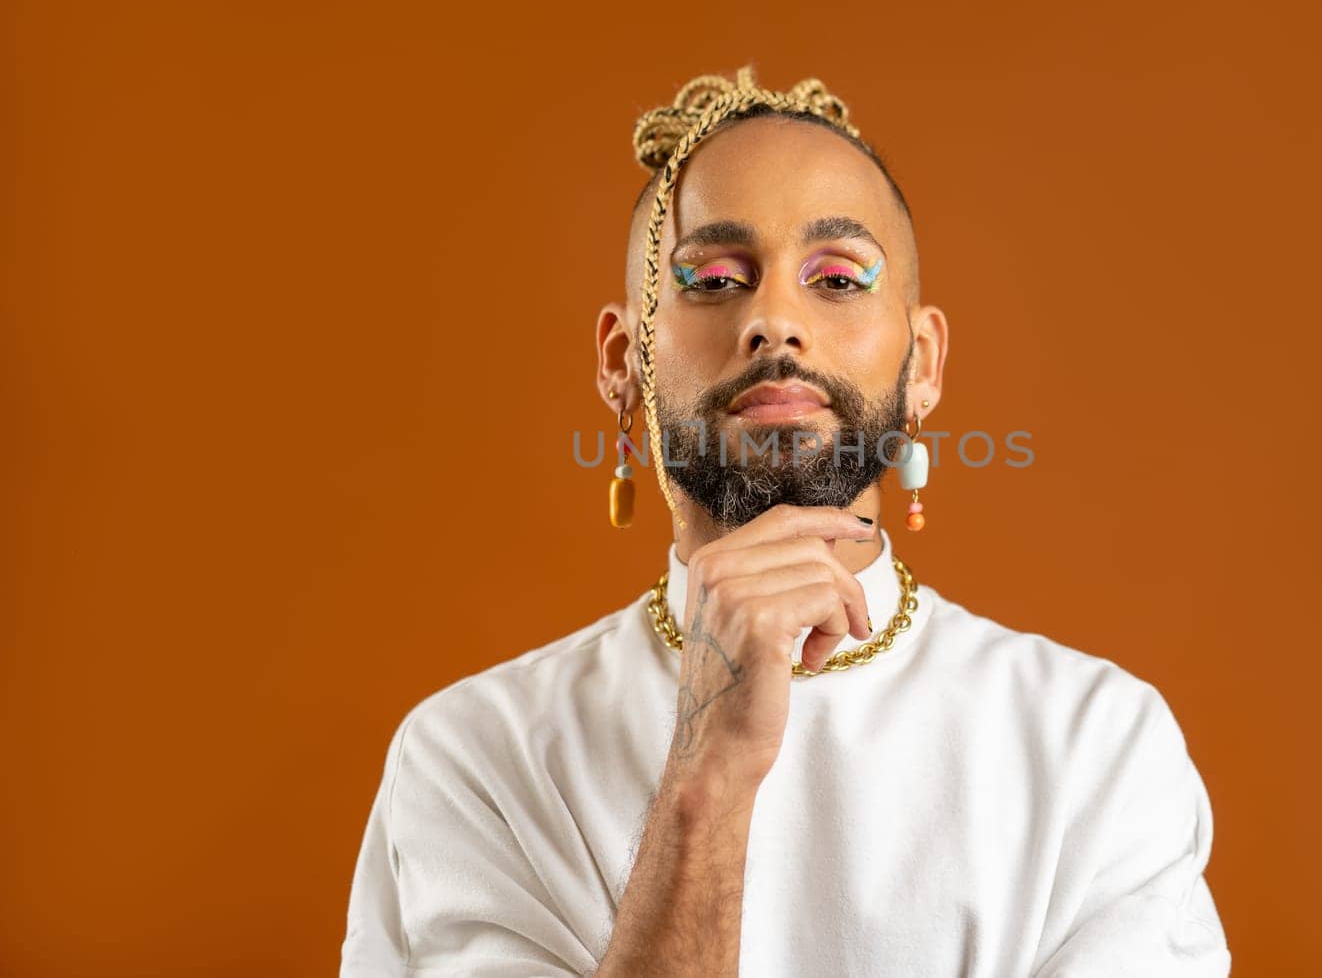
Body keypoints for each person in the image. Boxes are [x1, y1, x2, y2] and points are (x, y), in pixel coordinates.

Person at [339, 66, 1231, 977]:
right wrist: (706, 777)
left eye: (838, 278)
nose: (773, 320)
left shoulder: (1096, 745)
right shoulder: (474, 758)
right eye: (716, 277)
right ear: (623, 361)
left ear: (922, 364)